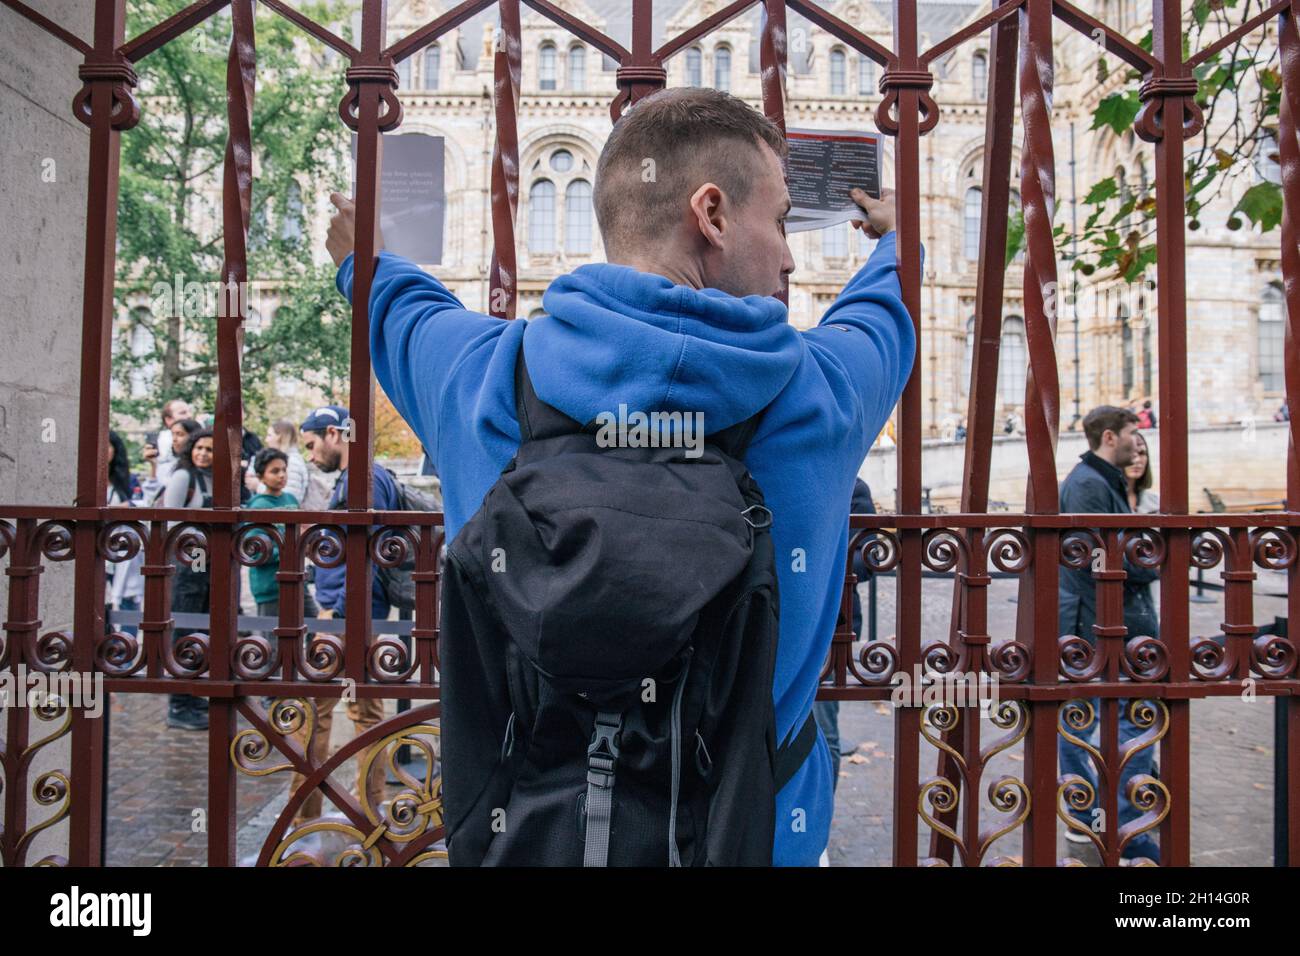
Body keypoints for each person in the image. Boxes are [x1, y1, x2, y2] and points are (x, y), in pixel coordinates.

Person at [328, 87, 915, 865]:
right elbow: (883, 309)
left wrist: (359, 257)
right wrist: (895, 237)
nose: (790, 253)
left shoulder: (482, 377)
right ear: (710, 214)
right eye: (777, 219)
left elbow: (397, 305)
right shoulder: (820, 393)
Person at [285, 404, 399, 828]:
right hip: (362, 611)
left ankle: (303, 822)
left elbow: (354, 556)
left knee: (314, 714)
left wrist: (332, 610)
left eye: (313, 444)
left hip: (344, 614)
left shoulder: (359, 479)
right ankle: (370, 818)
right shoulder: (373, 475)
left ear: (334, 433)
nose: (312, 455)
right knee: (365, 715)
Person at [1057, 406, 1159, 862]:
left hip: (1110, 622)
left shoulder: (1099, 480)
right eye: (1134, 433)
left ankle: (1106, 816)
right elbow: (1097, 558)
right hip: (1100, 624)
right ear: (1111, 436)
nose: (1139, 442)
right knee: (1111, 719)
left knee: (1115, 717)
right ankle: (1110, 822)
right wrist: (1152, 562)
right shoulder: (1088, 483)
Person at [814, 477, 877, 793]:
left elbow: (868, 559)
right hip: (780, 622)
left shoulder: (852, 487)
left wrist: (816, 560)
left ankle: (820, 825)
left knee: (822, 730)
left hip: (830, 627)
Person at [162, 425, 215, 731]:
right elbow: (170, 519)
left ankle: (195, 695)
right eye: (199, 448)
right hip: (189, 561)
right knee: (184, 628)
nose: (203, 454)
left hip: (209, 564)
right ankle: (179, 703)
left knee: (202, 628)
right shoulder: (184, 477)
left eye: (209, 450)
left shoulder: (213, 479)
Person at [246, 447, 319, 624]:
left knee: (313, 622)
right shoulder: (258, 506)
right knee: (272, 636)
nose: (281, 475)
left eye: (284, 470)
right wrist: (291, 551)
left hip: (296, 578)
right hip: (270, 586)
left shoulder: (290, 500)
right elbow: (255, 551)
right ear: (261, 476)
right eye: (274, 471)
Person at [106, 430, 144, 638]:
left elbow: (141, 503)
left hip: (123, 547)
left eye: (107, 445)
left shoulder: (127, 480)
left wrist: (123, 505)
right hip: (95, 548)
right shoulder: (84, 477)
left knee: (129, 599)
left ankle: (124, 653)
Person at [245, 419, 311, 504]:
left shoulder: (292, 462)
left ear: (281, 437)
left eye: (269, 435)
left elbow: (289, 501)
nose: (266, 440)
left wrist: (258, 486)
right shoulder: (285, 459)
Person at [142, 399, 193, 485]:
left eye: (190, 411)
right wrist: (153, 465)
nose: (189, 415)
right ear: (169, 419)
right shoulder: (160, 442)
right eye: (183, 413)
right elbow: (155, 489)